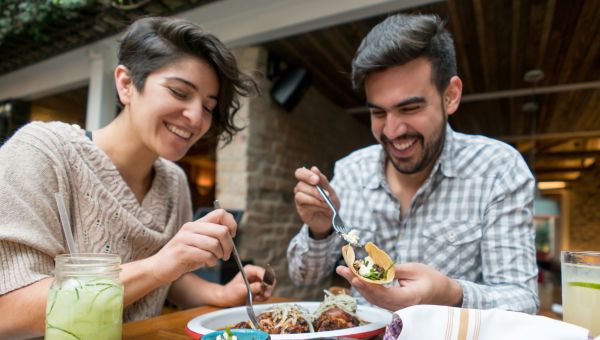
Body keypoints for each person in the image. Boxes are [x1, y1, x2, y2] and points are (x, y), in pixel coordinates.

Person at [0, 17, 274, 339]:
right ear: (126, 84)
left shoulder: (174, 181)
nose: (197, 117)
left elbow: (167, 280)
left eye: (209, 106)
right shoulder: (43, 152)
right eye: (179, 91)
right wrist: (158, 265)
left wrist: (220, 294)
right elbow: (9, 312)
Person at [288, 13, 538, 314]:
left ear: (451, 96)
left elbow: (523, 301)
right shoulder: (350, 171)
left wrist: (450, 293)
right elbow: (302, 276)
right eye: (378, 113)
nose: (392, 132)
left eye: (410, 108)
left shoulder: (498, 170)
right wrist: (320, 230)